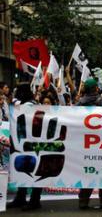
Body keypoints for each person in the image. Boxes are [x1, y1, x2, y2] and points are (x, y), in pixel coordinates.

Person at [77, 78, 102, 210]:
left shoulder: (79, 103)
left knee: (87, 171)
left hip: (86, 144)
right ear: (96, 89)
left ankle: (83, 200)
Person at [7, 83, 43, 211]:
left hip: (31, 142)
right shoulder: (29, 104)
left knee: (34, 170)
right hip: (25, 143)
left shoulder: (28, 106)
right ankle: (22, 197)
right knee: (24, 169)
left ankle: (34, 200)